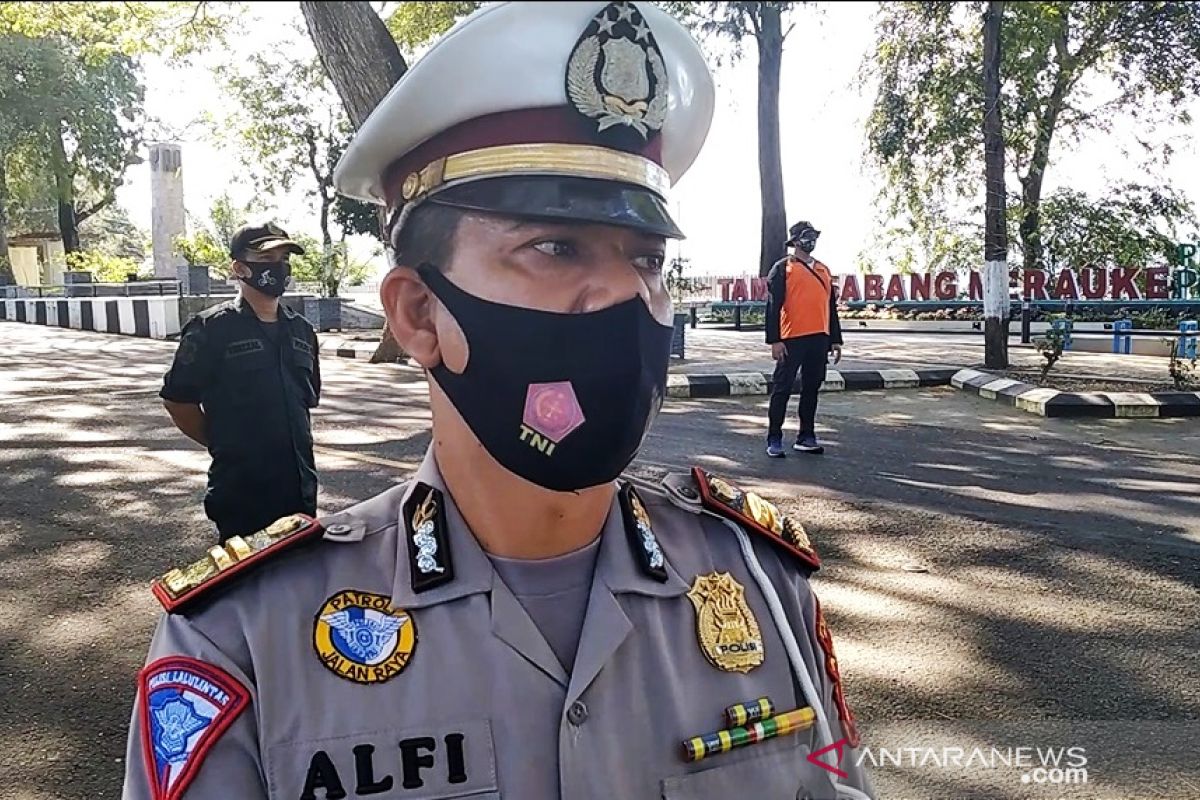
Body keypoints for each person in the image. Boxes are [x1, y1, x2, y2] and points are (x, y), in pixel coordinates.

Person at [121, 4, 873, 799]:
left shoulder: (763, 588)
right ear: (418, 314)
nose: (627, 296)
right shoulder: (240, 643)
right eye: (556, 247)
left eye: (648, 260)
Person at [159, 223, 321, 542]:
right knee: (246, 586)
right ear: (239, 267)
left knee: (301, 585)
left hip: (300, 492)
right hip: (242, 494)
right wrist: (222, 442)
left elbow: (306, 402)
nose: (278, 266)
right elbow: (178, 400)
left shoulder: (302, 331)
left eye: (283, 257)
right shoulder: (210, 330)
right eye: (267, 256)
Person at [764, 220, 844, 458]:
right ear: (796, 241)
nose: (811, 241)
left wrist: (835, 339)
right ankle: (774, 438)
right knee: (782, 388)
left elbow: (831, 307)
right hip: (791, 338)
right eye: (807, 237)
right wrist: (774, 340)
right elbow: (772, 306)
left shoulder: (823, 270)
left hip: (819, 337)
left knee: (812, 387)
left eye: (814, 237)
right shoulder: (782, 268)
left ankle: (806, 436)